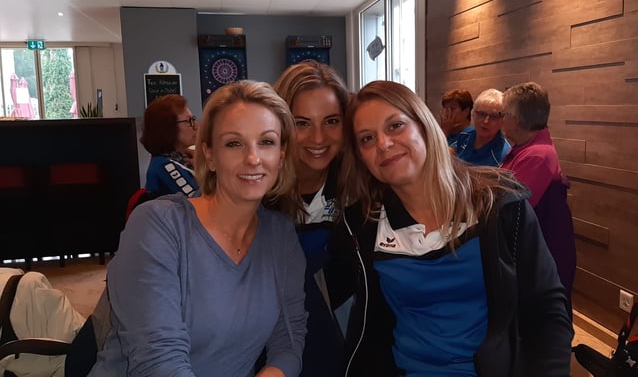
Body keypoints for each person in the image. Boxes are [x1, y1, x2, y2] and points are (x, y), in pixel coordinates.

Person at [328, 80, 573, 376]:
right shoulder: (361, 226)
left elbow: (548, 310)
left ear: (424, 126)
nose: (383, 143)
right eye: (367, 138)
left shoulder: (499, 205)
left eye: (395, 126)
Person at [88, 81, 307, 377]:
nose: (253, 158)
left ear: (281, 155)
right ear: (210, 155)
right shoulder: (158, 225)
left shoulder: (281, 236)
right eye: (234, 143)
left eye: (266, 142)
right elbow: (158, 363)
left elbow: (289, 340)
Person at [273, 60, 350, 376]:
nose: (319, 138)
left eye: (331, 121)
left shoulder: (360, 185)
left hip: (343, 345)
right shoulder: (257, 189)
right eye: (302, 123)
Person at [500, 81, 576, 311]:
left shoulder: (537, 156)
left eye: (503, 114)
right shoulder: (525, 148)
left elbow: (506, 206)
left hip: (540, 260)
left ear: (516, 120)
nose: (501, 120)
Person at [140, 94, 199, 197]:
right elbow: (198, 201)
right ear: (168, 129)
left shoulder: (184, 159)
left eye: (193, 119)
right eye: (189, 121)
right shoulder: (164, 166)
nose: (196, 126)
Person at [452, 88, 511, 166]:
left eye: (494, 116)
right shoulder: (466, 133)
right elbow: (451, 150)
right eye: (481, 114)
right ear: (473, 114)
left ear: (503, 120)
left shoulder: (503, 155)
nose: (486, 121)